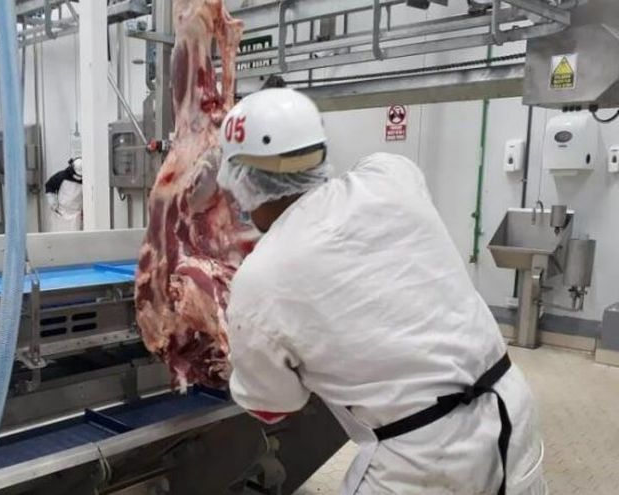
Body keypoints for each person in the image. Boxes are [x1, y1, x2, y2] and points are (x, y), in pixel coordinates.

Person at [217, 88, 546, 495]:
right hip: (510, 417)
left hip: (425, 461)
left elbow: (273, 407)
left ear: (242, 182)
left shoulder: (261, 277)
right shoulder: (392, 175)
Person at [45, 157, 83, 231]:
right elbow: (49, 186)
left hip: (76, 214)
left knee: (75, 236)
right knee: (59, 235)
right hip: (60, 212)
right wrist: (53, 202)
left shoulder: (87, 180)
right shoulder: (61, 176)